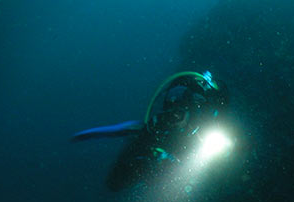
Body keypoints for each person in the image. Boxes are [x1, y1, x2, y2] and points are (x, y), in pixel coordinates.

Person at [72, 71, 229, 190]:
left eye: (179, 113)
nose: (174, 118)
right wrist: (148, 164)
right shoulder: (154, 130)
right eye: (170, 113)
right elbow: (114, 183)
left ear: (191, 113)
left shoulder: (202, 135)